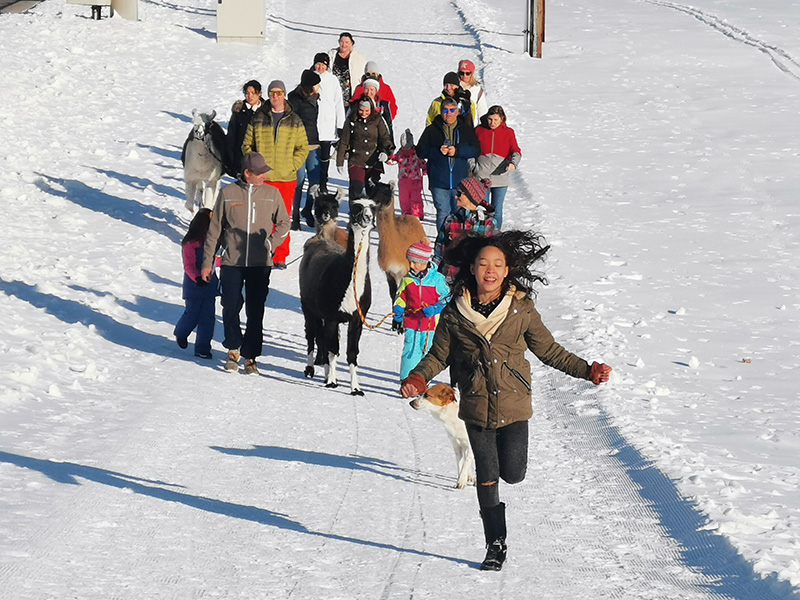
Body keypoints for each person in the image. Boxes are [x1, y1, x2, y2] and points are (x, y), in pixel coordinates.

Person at [400, 229, 613, 571]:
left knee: (512, 474)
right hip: (476, 406)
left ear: (507, 270)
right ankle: (495, 545)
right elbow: (438, 354)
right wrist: (418, 377)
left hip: (514, 406)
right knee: (486, 475)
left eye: (498, 264)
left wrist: (587, 370)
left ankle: (500, 494)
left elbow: (550, 351)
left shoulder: (521, 310)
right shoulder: (455, 313)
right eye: (483, 263)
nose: (490, 270)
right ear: (471, 267)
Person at [200, 152, 290, 376]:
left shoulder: (272, 193)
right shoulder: (228, 193)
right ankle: (233, 349)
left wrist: (271, 244)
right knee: (230, 305)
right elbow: (214, 231)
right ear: (247, 173)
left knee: (255, 309)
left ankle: (251, 356)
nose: (264, 176)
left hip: (260, 263)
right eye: (260, 173)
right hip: (232, 261)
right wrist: (207, 262)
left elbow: (284, 223)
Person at [242, 79, 309, 269]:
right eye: (272, 93)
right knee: (261, 217)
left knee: (283, 218)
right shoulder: (258, 118)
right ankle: (261, 252)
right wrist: (254, 166)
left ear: (284, 95)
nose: (276, 97)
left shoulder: (294, 119)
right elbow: (246, 145)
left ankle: (280, 255)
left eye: (279, 93)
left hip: (286, 178)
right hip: (262, 178)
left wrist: (292, 165)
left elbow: (303, 147)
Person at [416, 96, 480, 230]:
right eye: (445, 110)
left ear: (457, 112)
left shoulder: (465, 129)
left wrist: (458, 151)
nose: (449, 114)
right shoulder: (432, 130)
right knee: (443, 213)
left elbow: (475, 150)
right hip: (439, 180)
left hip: (460, 181)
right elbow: (421, 151)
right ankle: (442, 246)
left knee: (460, 214)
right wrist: (437, 151)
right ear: (441, 111)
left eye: (452, 110)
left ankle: (458, 246)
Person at [392, 242, 450, 379]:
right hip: (412, 322)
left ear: (424, 262)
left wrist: (436, 308)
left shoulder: (437, 280)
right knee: (410, 349)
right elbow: (401, 296)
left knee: (427, 351)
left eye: (415, 262)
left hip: (430, 324)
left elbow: (448, 298)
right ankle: (407, 379)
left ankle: (423, 379)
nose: (411, 266)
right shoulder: (407, 279)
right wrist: (399, 307)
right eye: (410, 262)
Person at [174, 208, 219, 359]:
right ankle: (181, 332)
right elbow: (189, 265)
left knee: (208, 317)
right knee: (192, 314)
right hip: (194, 285)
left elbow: (217, 260)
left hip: (210, 285)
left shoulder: (213, 243)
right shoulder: (191, 243)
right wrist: (197, 278)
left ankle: (203, 348)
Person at [433, 176, 496, 281]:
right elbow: (439, 251)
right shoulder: (451, 220)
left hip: (474, 280)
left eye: (459, 194)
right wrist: (434, 275)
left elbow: (492, 253)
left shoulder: (488, 223)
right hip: (449, 278)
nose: (455, 197)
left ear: (471, 197)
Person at [336, 97, 394, 202]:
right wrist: (339, 161)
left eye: (367, 111)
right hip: (356, 160)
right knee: (357, 188)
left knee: (372, 189)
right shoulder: (351, 120)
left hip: (373, 161)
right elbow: (344, 141)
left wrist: (386, 152)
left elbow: (385, 138)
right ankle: (355, 213)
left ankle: (370, 215)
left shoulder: (377, 120)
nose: (364, 113)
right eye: (361, 110)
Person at [474, 105, 521, 229]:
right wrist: (473, 167)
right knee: (482, 210)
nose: (492, 123)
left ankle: (496, 236)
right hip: (481, 176)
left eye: (495, 120)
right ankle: (481, 236)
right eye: (490, 119)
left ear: (502, 119)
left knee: (497, 209)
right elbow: (471, 151)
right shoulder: (479, 130)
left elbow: (516, 151)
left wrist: (513, 163)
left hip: (500, 177)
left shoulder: (508, 132)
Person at [288, 69, 322, 230]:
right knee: (299, 181)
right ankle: (294, 217)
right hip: (299, 146)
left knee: (315, 182)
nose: (319, 87)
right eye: (316, 84)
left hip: (314, 144)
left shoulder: (314, 98)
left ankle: (308, 209)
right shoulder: (294, 100)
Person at [312, 52, 346, 195]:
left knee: (324, 158)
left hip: (327, 126)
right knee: (313, 158)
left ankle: (323, 183)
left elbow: (338, 103)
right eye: (318, 64)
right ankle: (314, 184)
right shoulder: (310, 77)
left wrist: (340, 125)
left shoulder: (332, 80)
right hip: (312, 125)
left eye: (323, 65)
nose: (320, 67)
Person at [227, 80, 263, 177]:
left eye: (253, 93)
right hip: (242, 159)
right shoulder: (239, 112)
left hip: (262, 158)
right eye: (247, 93)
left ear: (259, 94)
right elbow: (231, 137)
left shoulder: (266, 111)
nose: (249, 96)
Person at [390, 128, 427, 219]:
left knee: (415, 199)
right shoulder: (400, 154)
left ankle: (416, 215)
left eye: (408, 149)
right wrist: (387, 158)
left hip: (415, 181)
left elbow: (423, 163)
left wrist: (425, 170)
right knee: (404, 199)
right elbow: (393, 160)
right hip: (403, 181)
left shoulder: (416, 154)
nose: (406, 151)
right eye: (404, 149)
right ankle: (406, 215)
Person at [328, 32, 368, 108]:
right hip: (333, 95)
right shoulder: (331, 55)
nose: (344, 45)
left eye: (347, 42)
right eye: (342, 42)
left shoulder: (359, 58)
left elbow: (365, 75)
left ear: (351, 44)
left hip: (351, 96)